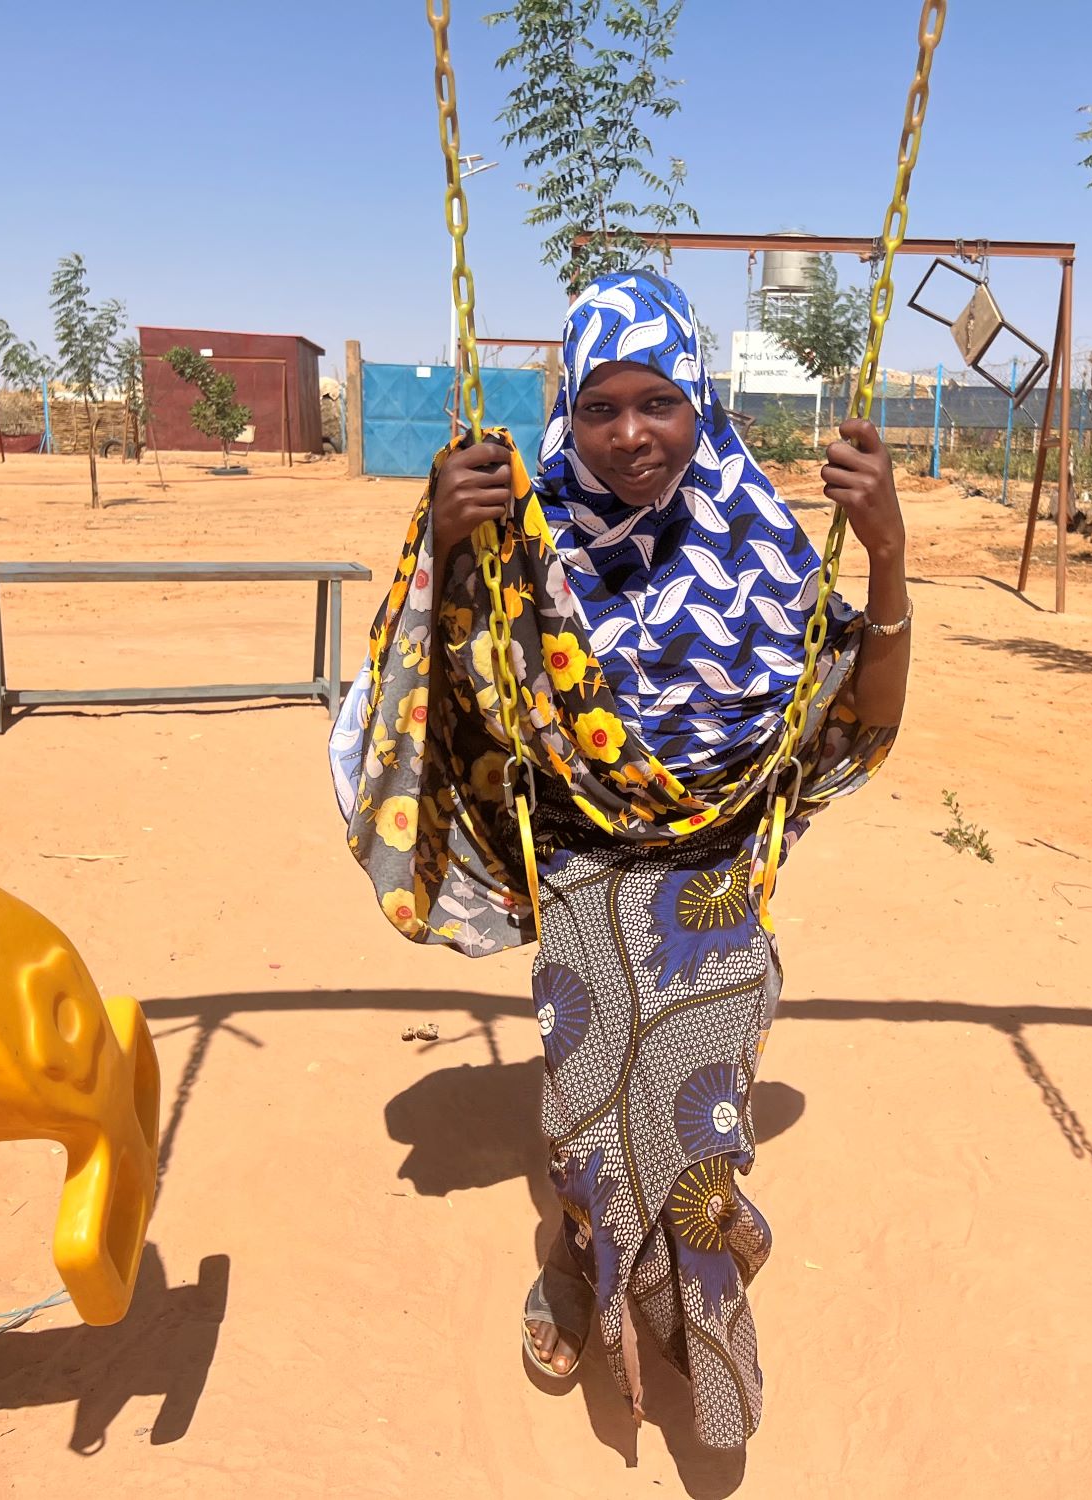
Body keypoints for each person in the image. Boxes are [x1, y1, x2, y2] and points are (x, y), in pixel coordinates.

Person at [330, 268, 909, 1449]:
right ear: (566, 412)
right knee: (588, 1127)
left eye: (659, 400)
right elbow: (440, 702)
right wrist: (442, 546)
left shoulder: (759, 537)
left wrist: (888, 553)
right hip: (584, 866)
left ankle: (709, 1338)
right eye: (601, 407)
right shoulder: (519, 532)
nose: (632, 433)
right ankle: (580, 1264)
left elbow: (859, 717)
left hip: (719, 875)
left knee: (695, 1128)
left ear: (700, 396)